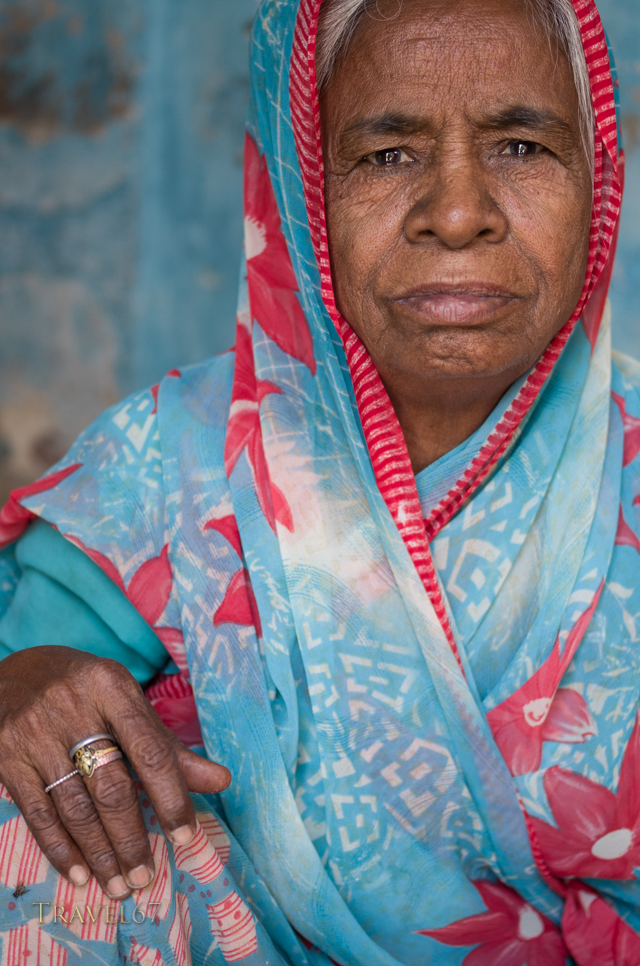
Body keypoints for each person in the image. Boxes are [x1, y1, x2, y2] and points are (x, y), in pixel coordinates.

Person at [0, 0, 634, 961]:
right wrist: (16, 688)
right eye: (386, 155)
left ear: (597, 180)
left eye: (520, 145)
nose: (458, 212)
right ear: (296, 188)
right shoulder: (169, 467)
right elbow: (25, 685)